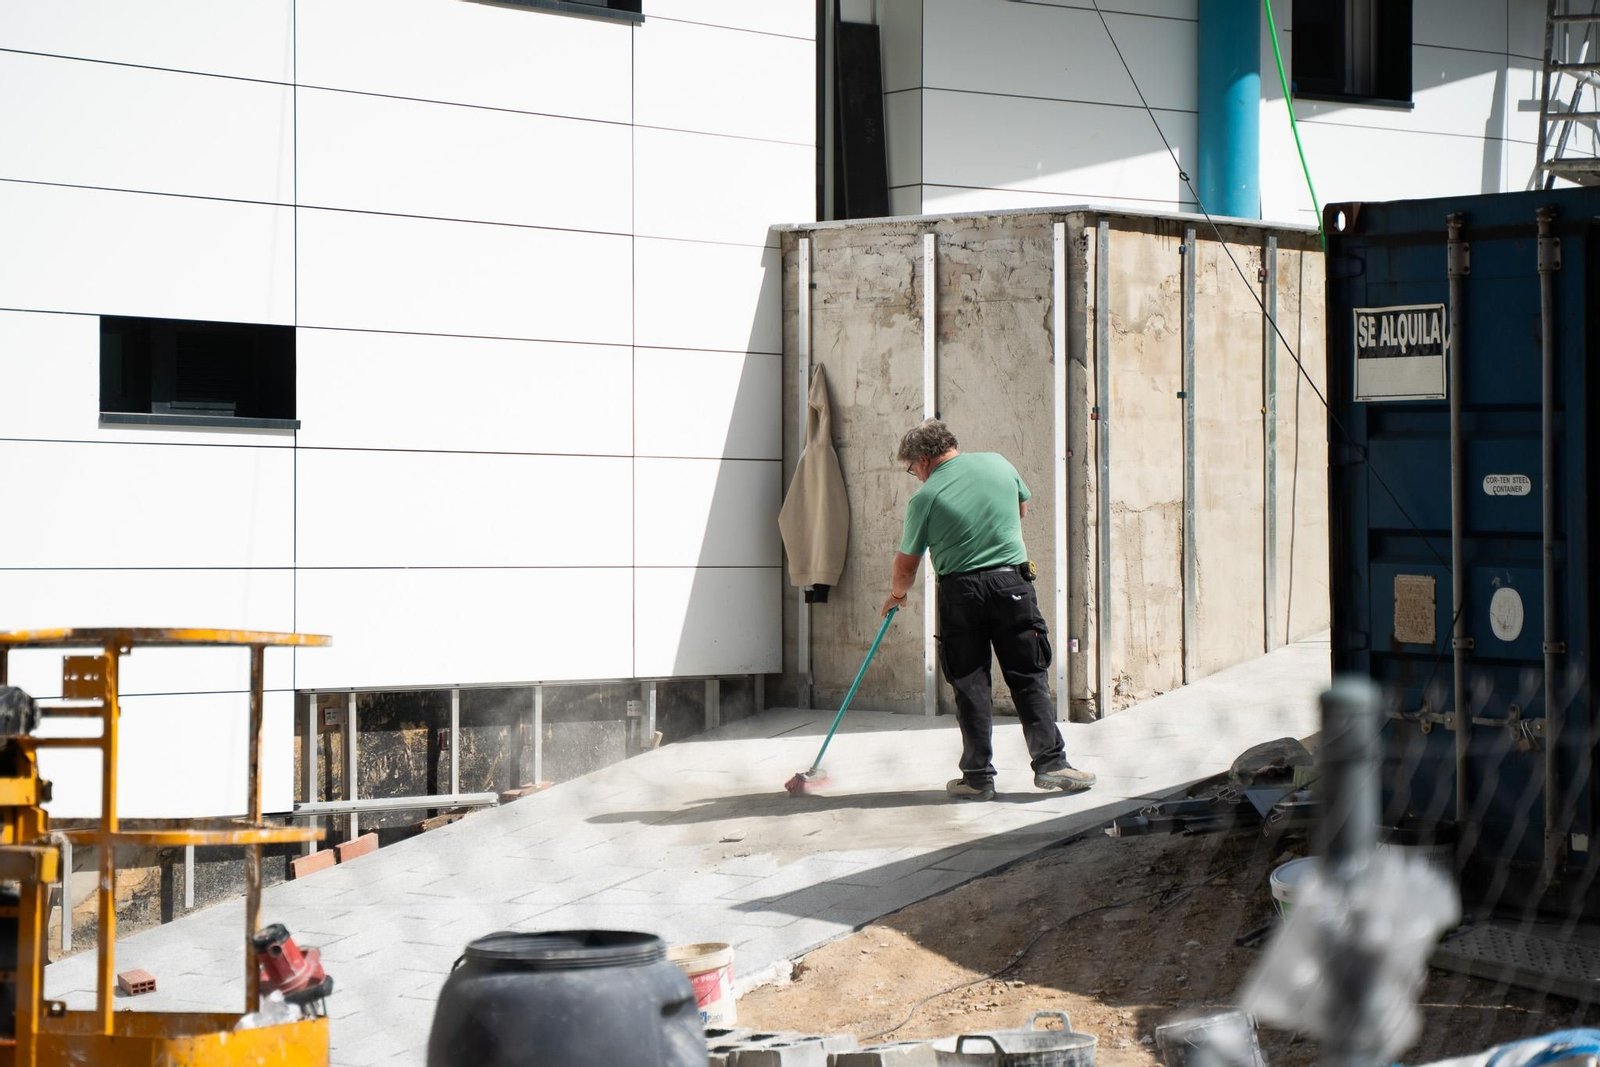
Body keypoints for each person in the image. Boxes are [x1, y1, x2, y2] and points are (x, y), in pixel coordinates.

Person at [881, 419, 1094, 801]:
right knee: (1029, 676)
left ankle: (978, 778)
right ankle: (1052, 765)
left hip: (960, 593)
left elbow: (906, 565)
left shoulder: (926, 498)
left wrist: (897, 596)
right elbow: (1022, 509)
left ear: (925, 459)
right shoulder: (999, 463)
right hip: (1012, 585)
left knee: (970, 685)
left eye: (912, 468)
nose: (914, 476)